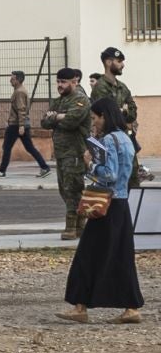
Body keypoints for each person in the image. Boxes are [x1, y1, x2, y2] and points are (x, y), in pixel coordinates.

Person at [58, 97, 143, 325]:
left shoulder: (108, 140)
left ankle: (80, 307)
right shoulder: (126, 138)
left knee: (87, 256)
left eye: (95, 118)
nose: (93, 123)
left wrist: (90, 164)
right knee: (121, 257)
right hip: (121, 204)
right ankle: (131, 308)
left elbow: (109, 174)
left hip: (104, 205)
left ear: (104, 116)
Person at [43, 67, 94, 239]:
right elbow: (44, 121)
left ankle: (71, 228)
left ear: (74, 82)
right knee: (65, 191)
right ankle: (81, 225)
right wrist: (59, 116)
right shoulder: (59, 101)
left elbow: (72, 121)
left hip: (75, 152)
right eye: (58, 82)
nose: (60, 85)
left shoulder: (81, 100)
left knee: (73, 190)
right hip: (62, 154)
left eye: (63, 82)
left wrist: (56, 117)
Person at [0, 70, 51, 178]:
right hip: (19, 124)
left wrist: (21, 126)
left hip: (16, 125)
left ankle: (1, 171)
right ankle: (44, 167)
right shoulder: (19, 90)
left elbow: (21, 110)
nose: (10, 80)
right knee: (29, 147)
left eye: (13, 78)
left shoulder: (19, 92)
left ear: (18, 80)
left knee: (6, 147)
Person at [89, 47, 138, 147]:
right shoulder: (100, 87)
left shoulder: (122, 86)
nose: (123, 65)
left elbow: (133, 112)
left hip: (125, 139)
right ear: (108, 62)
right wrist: (124, 112)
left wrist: (122, 113)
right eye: (119, 61)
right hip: (109, 140)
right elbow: (108, 116)